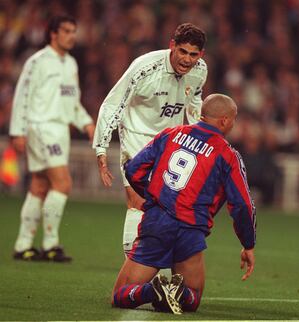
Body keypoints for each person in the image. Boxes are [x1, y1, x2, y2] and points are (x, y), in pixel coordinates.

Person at [111, 94, 256, 314]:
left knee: (122, 294)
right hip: (190, 232)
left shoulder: (171, 134)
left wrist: (152, 197)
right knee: (192, 298)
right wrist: (248, 243)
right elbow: (242, 205)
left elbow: (133, 170)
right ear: (225, 121)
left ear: (201, 114)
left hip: (158, 223)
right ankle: (178, 293)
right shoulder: (228, 155)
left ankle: (152, 292)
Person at [93, 23, 208, 255]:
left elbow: (195, 102)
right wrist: (101, 148)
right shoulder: (144, 67)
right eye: (183, 52)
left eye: (193, 54)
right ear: (172, 46)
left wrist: (199, 138)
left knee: (166, 207)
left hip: (171, 141)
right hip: (137, 136)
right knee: (138, 202)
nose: (187, 59)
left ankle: (160, 275)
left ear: (201, 55)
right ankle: (132, 273)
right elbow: (113, 104)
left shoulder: (200, 70)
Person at [9, 15, 95, 262]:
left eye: (74, 31)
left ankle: (23, 245)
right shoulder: (38, 62)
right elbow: (22, 96)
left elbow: (72, 100)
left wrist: (86, 121)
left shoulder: (70, 64)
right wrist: (18, 130)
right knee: (63, 183)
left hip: (59, 130)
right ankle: (50, 243)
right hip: (42, 127)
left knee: (39, 185)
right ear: (53, 34)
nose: (72, 35)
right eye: (67, 30)